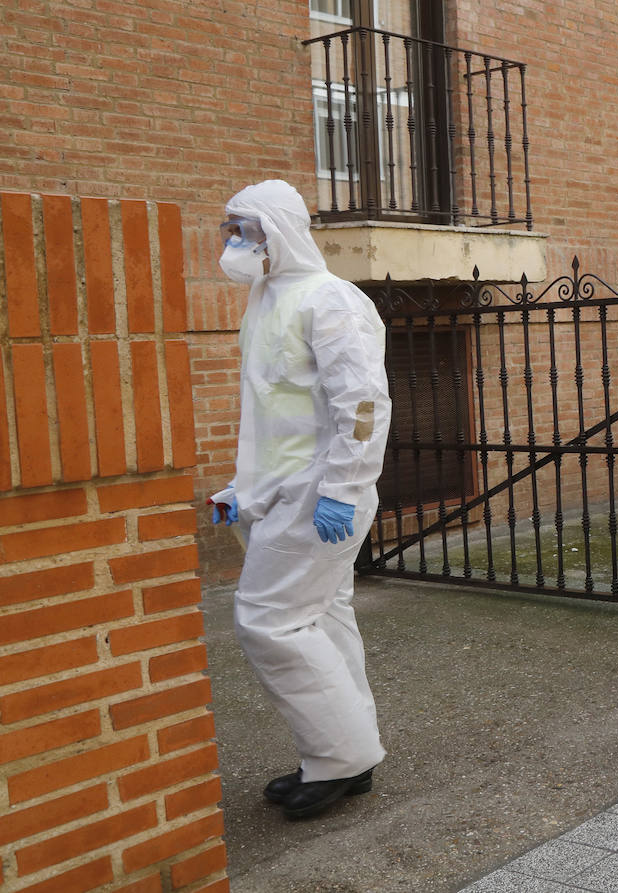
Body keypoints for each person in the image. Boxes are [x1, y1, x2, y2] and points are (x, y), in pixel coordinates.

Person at [208, 179, 391, 819]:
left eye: (247, 229)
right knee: (322, 619)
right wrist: (244, 488)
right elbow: (271, 413)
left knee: (269, 620)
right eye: (230, 228)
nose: (235, 242)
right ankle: (346, 756)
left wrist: (343, 488)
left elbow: (363, 408)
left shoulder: (331, 301)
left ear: (280, 230)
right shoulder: (266, 298)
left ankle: (338, 758)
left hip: (322, 497)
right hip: (284, 495)